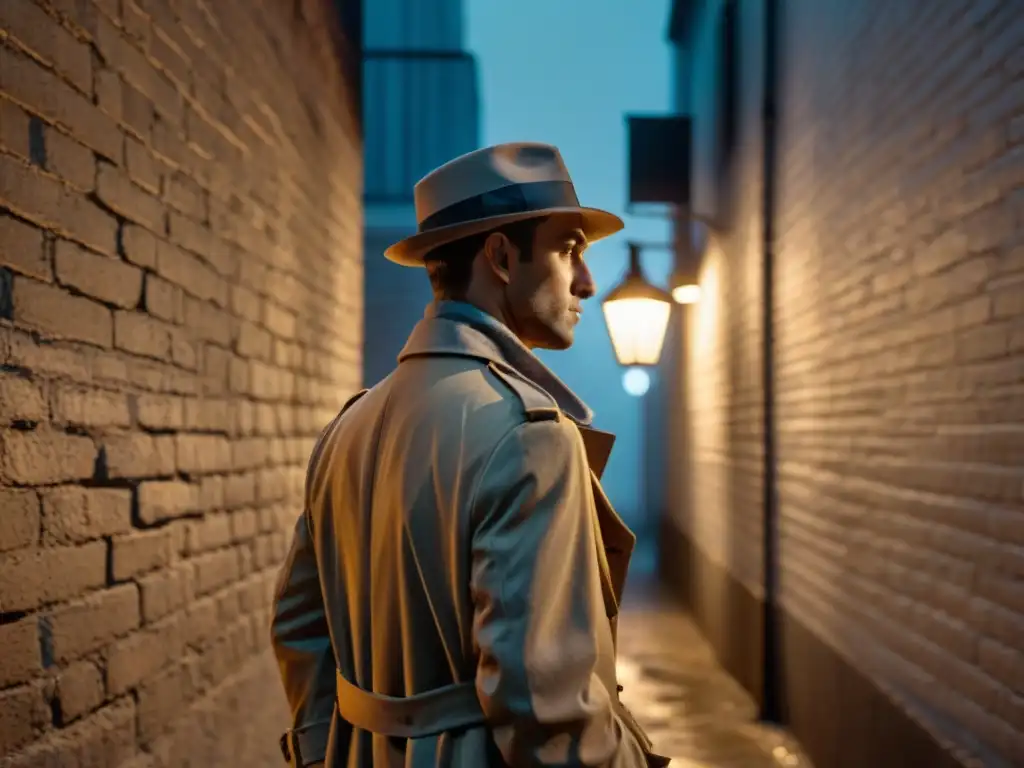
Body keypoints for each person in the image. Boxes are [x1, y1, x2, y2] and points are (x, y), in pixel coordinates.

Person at [270, 142, 670, 768]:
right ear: (503, 257)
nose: (587, 283)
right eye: (569, 249)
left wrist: (327, 755)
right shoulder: (530, 432)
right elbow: (546, 708)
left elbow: (299, 630)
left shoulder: (347, 426)